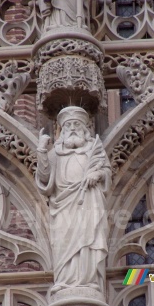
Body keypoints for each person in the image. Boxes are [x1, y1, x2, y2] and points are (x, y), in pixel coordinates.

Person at [36, 106, 111, 294]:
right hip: (62, 205)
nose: (72, 128)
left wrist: (97, 174)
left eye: (76, 124)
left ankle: (89, 279)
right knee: (62, 241)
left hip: (88, 201)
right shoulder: (55, 154)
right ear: (61, 131)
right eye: (67, 126)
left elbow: (106, 171)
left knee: (89, 239)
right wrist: (41, 151)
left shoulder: (93, 151)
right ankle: (64, 279)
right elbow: (44, 179)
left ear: (85, 129)